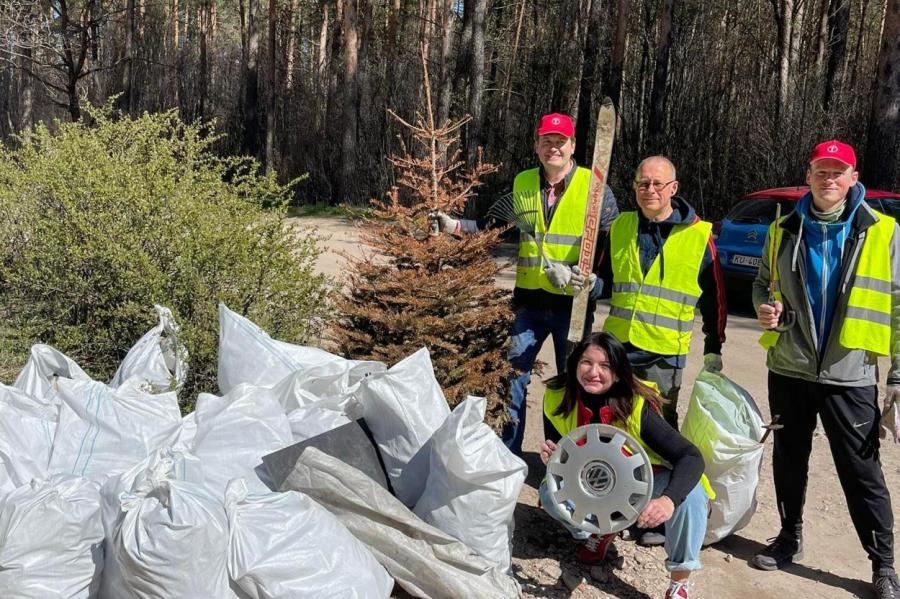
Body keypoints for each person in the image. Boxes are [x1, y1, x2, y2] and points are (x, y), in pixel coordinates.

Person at [751, 139, 899, 599]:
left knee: (861, 471)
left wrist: (896, 377)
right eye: (821, 171)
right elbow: (761, 285)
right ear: (809, 175)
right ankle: (788, 538)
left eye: (838, 172)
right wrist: (764, 309)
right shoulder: (783, 227)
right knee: (788, 459)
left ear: (854, 179)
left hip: (849, 374)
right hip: (790, 367)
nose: (829, 179)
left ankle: (884, 565)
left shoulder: (884, 231)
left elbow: (898, 308)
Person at [431, 112, 619, 456]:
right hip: (529, 305)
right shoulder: (523, 183)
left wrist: (588, 279)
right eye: (547, 141)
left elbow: (612, 248)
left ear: (573, 145)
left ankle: (570, 458)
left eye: (560, 142)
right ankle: (508, 455)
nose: (553, 148)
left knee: (575, 383)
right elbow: (491, 226)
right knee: (512, 378)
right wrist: (453, 226)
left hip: (572, 308)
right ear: (537, 145)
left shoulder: (595, 190)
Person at [538, 331, 711, 599]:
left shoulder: (636, 405)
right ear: (574, 366)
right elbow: (561, 452)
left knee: (692, 497)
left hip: (646, 482)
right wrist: (553, 458)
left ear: (618, 373)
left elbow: (691, 457)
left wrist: (668, 500)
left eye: (605, 366)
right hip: (597, 481)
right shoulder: (557, 396)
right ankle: (600, 531)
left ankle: (679, 582)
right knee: (550, 494)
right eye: (586, 362)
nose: (593, 372)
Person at [593, 156, 727, 430]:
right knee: (612, 419)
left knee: (658, 426)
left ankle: (665, 473)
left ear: (673, 188)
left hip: (664, 354)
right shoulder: (620, 227)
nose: (650, 190)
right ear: (634, 187)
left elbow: (716, 297)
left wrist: (714, 346)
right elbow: (605, 282)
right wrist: (585, 284)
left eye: (657, 183)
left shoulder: (699, 235)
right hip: (620, 345)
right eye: (643, 183)